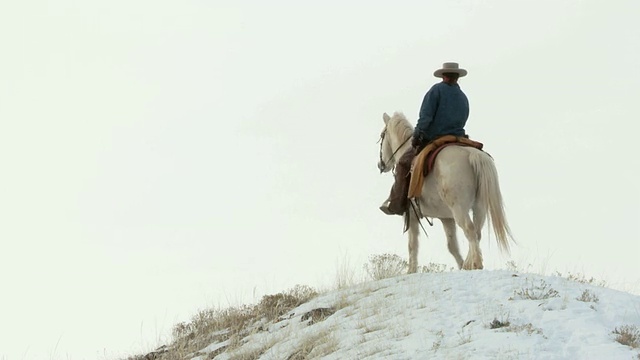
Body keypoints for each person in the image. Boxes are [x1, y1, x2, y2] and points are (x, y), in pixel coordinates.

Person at [380, 62, 470, 216]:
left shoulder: (436, 91)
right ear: (457, 77)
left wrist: (418, 135)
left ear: (443, 75)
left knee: (402, 163)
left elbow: (425, 117)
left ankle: (398, 204)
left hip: (435, 138)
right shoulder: (463, 97)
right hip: (458, 138)